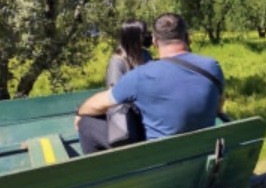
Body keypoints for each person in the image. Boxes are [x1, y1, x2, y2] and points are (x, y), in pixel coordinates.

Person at [75, 13, 225, 153]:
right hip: (203, 154)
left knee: (86, 124)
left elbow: (99, 103)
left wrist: (79, 112)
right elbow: (218, 106)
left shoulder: (141, 75)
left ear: (154, 41)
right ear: (187, 37)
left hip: (158, 160)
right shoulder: (212, 67)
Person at [105, 19, 153, 88]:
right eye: (143, 34)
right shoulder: (117, 61)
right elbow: (114, 90)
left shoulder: (145, 55)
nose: (146, 36)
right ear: (133, 37)